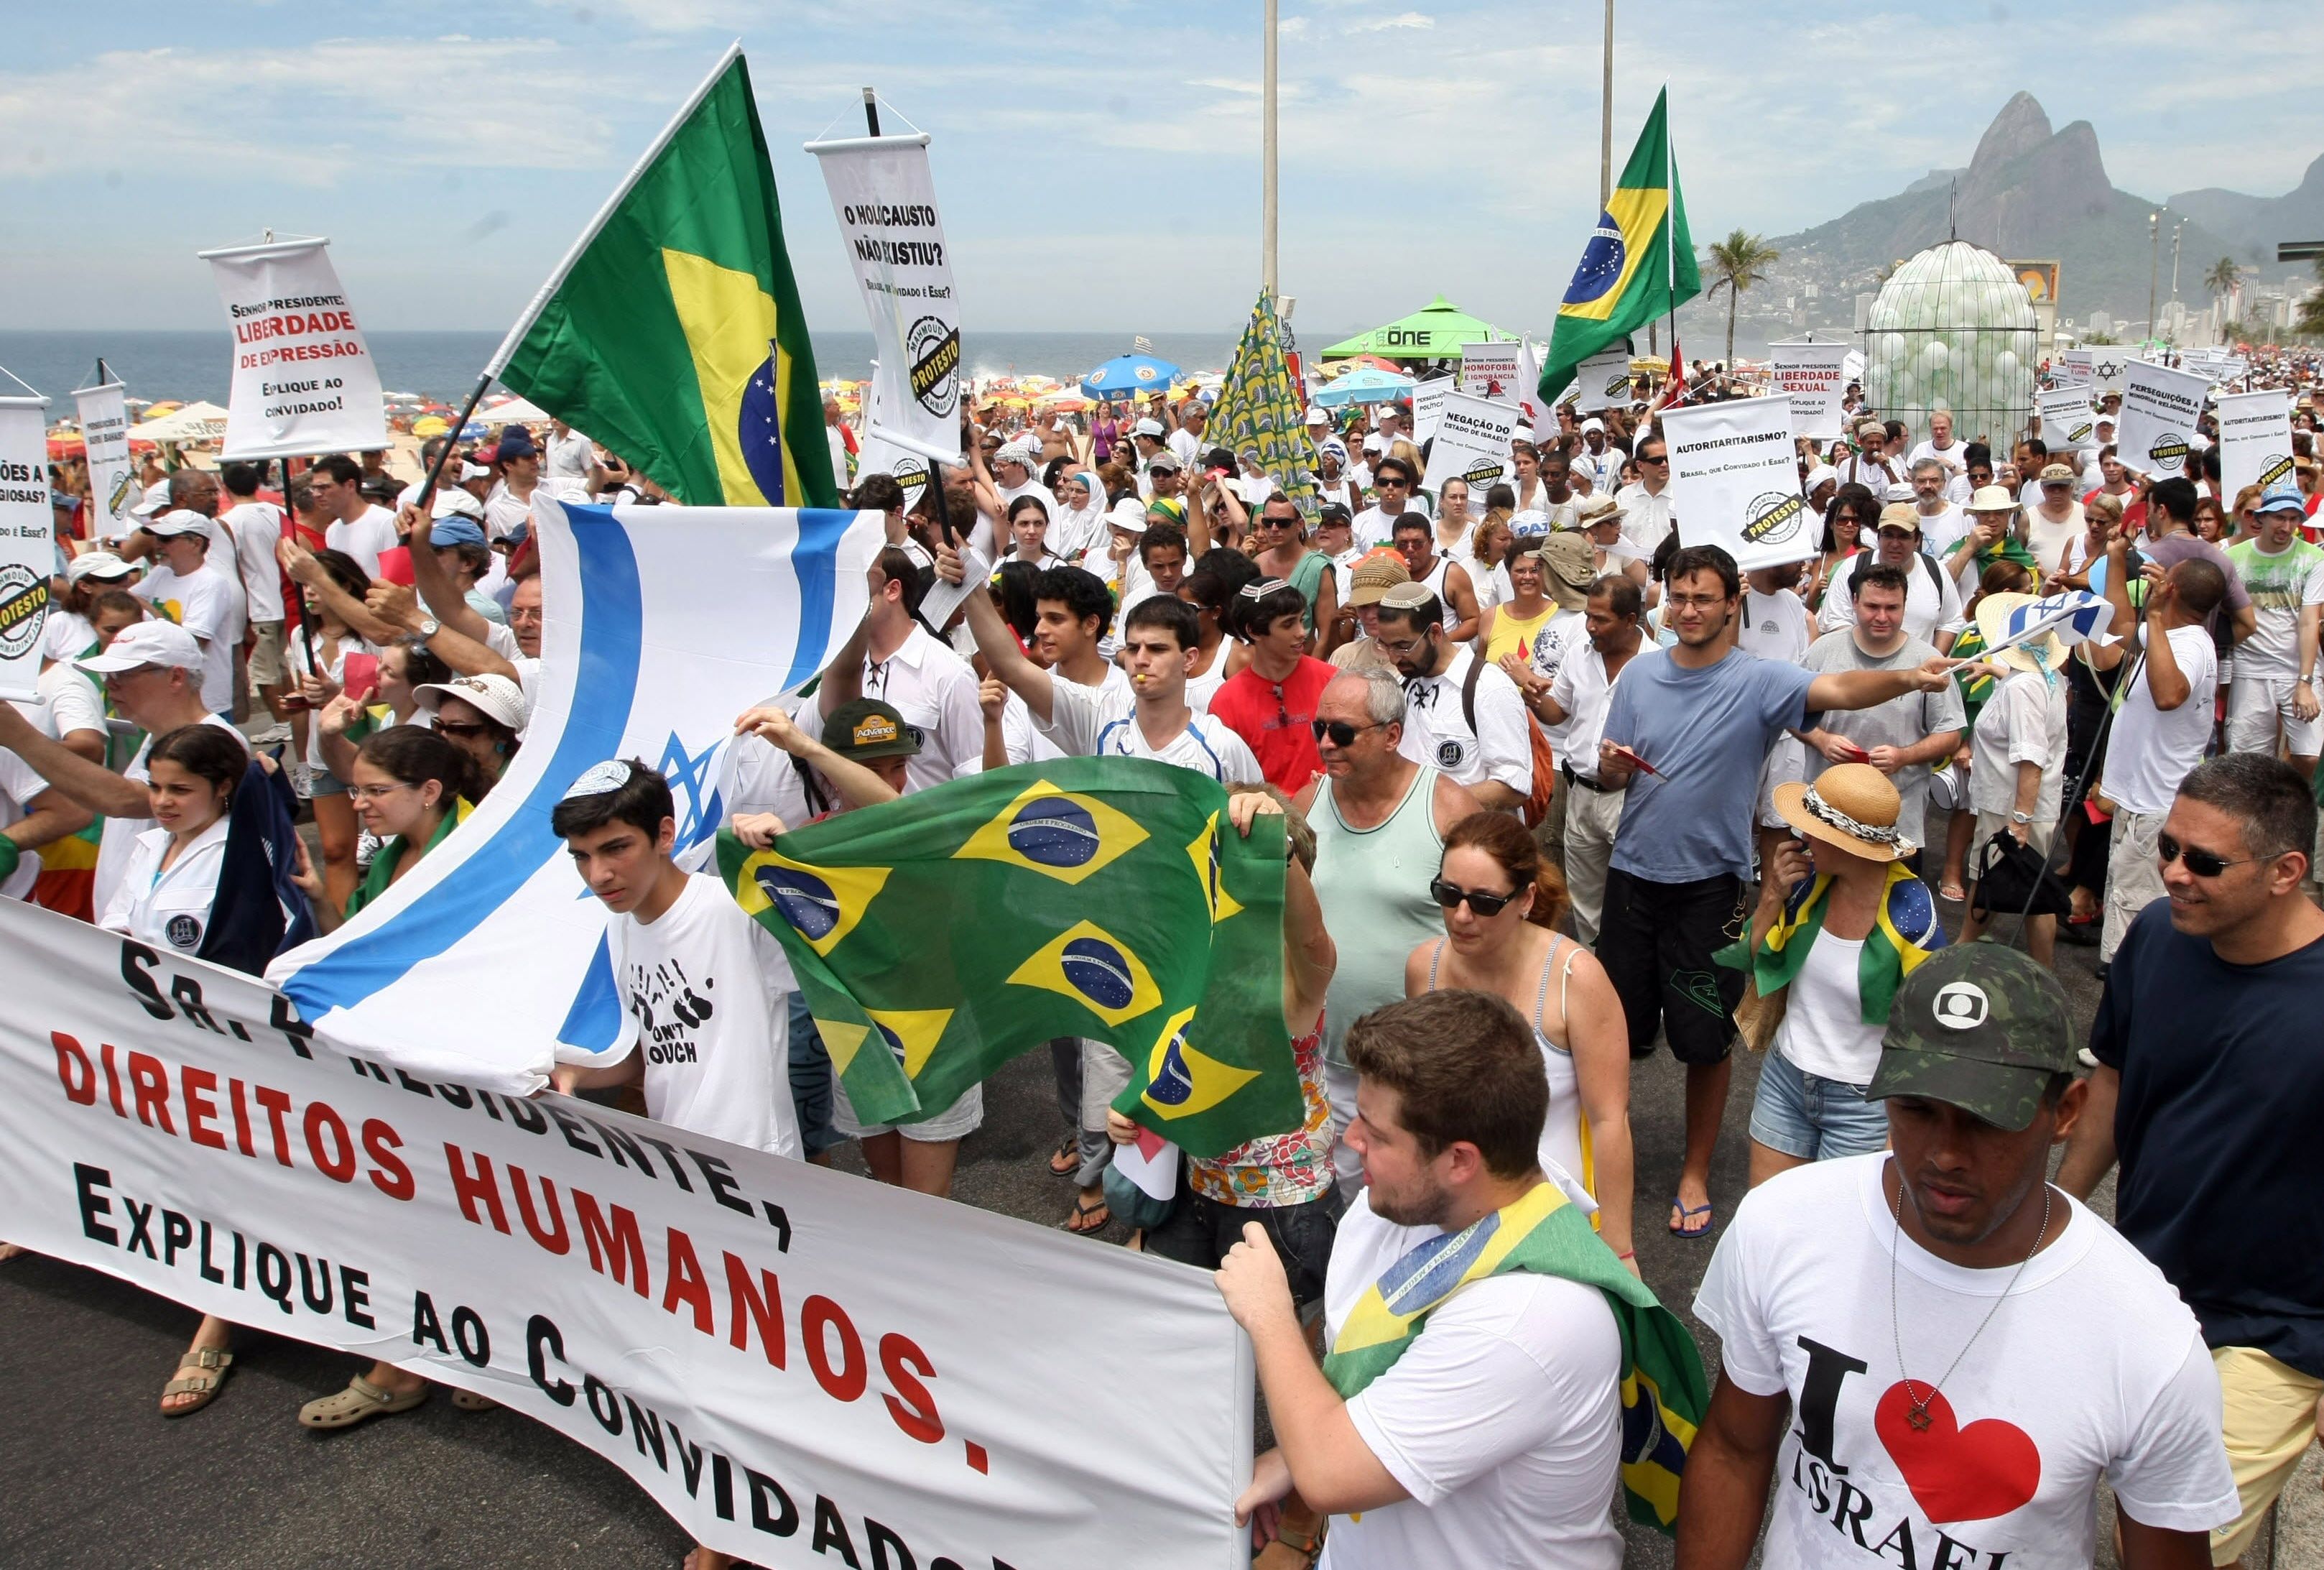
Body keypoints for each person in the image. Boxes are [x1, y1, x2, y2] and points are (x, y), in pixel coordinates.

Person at [1682, 943, 2239, 1570]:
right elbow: (1734, 1447)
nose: (1943, 1153)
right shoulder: (1783, 1223)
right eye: (1915, 1108)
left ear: (2064, 1112)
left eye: (1984, 1119)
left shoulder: (2149, 1342)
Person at [1218, 988, 1682, 1570]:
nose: (1349, 1140)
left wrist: (1268, 1313)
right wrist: (1293, 1454)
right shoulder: (1396, 1205)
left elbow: (1332, 1474)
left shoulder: (1528, 1320)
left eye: (1376, 1133)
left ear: (1460, 1160)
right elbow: (1375, 1384)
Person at [1594, 542, 1957, 1239]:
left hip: (1708, 888)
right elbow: (1612, 779)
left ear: (1733, 603)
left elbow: (1842, 691)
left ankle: (1694, 1171)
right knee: (1615, 1035)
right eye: (1678, 596)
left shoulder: (1760, 680)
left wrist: (1913, 676)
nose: (1688, 609)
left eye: (1703, 597)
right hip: (1630, 879)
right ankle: (1606, 1156)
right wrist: (1611, 767)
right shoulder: (1638, 677)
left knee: (1704, 1042)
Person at [2062, 756, 2324, 1570]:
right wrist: (2052, 1219)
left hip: (2279, 1329)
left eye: (2202, 861)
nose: (2172, 872)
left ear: (2287, 871)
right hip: (2151, 1289)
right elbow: (2112, 1076)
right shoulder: (2153, 938)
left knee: (2173, 1540)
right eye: (2170, 847)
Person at [293, 726, 489, 1428]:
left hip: (462, 1076)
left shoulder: (480, 856)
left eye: (377, 790)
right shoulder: (390, 861)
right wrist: (322, 900)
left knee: (470, 1218)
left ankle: (443, 1360)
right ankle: (403, 1363)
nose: (360, 804)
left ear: (430, 791)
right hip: (392, 1073)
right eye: (356, 789)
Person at [1407, 812, 1636, 1267]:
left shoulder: (1577, 978)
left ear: (1526, 898)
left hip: (1553, 1224)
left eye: (1485, 902)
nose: (1462, 916)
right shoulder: (1424, 969)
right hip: (1450, 1223)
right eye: (1448, 895)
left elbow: (1610, 1119)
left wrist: (1620, 1248)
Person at [1297, 668, 1481, 1201]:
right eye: (1319, 728)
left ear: (1391, 735)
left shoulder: (1446, 807)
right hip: (1323, 1060)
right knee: (1333, 1205)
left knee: (1409, 1204)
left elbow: (1497, 929)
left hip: (1415, 1071)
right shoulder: (1310, 800)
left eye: (1344, 732)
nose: (1326, 743)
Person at [1732, 764, 1947, 1183]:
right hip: (1785, 1079)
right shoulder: (1805, 884)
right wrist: (1772, 895)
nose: (1802, 837)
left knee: (1835, 1236)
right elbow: (1748, 957)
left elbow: (1931, 1030)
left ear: (1850, 846)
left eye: (1814, 830)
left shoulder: (1913, 913)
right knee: (1769, 1217)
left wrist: (1901, 1128)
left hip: (1864, 1102)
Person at [949, 538, 1260, 781]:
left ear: (1189, 658)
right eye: (1134, 648)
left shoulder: (1222, 745)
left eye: (1157, 649)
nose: (1141, 660)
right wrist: (970, 582)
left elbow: (1262, 828)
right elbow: (1010, 666)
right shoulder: (1101, 719)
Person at [0, 621, 247, 923]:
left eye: (124, 674)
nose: (110, 684)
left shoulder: (216, 741)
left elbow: (125, 801)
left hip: (173, 932)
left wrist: (20, 736)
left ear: (176, 676)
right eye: (107, 674)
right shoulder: (158, 737)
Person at [2085, 540, 2226, 967]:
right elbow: (2120, 624)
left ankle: (2126, 976)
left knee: (2137, 898)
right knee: (2122, 885)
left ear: (2176, 590)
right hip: (2138, 798)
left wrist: (2157, 615)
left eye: (2169, 575)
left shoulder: (2190, 646)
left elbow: (2169, 695)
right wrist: (2114, 556)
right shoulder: (2170, 634)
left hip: (2156, 805)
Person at [1797, 563, 1968, 859]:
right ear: (1854, 603)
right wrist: (1820, 740)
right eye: (1872, 606)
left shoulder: (1928, 659)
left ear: (1905, 606)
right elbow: (1789, 711)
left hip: (1898, 822)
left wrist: (1903, 756)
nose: (1882, 617)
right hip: (1827, 815)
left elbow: (1951, 734)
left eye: (1892, 608)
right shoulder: (1824, 651)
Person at [1953, 591, 2071, 966]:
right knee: (2015, 886)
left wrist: (2019, 821)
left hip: (2011, 806)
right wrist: (1995, 670)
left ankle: (1965, 954)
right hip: (2018, 803)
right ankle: (1973, 950)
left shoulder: (2023, 688)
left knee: (2009, 885)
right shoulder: (2041, 677)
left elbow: (2030, 756)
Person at [1374, 583, 1531, 813]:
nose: (1394, 658)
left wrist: (1428, 801)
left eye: (1403, 647)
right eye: (1385, 646)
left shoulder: (1488, 687)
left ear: (1435, 633)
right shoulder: (1401, 685)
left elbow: (1513, 786)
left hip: (1473, 839)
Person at [2223, 483, 2324, 781]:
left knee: (2309, 754)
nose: (2287, 526)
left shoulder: (2313, 558)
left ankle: (2286, 800)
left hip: (2298, 668)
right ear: (2262, 517)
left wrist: (2305, 681)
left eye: (2294, 519)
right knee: (2248, 760)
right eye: (2280, 517)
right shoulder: (2234, 558)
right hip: (2251, 669)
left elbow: (2309, 621)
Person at [1208, 579, 1336, 793]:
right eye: (1288, 624)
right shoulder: (1226, 702)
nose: (1301, 632)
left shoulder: (1333, 681)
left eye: (1301, 620)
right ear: (1254, 631)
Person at [129, 511, 239, 715]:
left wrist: (148, 609)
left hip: (205, 702)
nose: (158, 545)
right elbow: (127, 602)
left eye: (167, 539)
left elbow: (192, 644)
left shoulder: (212, 583)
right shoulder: (161, 573)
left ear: (196, 543)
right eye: (157, 538)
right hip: (171, 698)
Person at [1818, 502, 1966, 653]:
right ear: (1879, 536)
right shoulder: (1852, 568)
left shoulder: (1936, 571)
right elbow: (1835, 620)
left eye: (1903, 536)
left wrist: (1934, 659)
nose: (1895, 544)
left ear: (1918, 539)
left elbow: (1950, 622)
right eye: (1888, 535)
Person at [1249, 493, 1338, 646]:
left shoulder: (1318, 568)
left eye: (1283, 523)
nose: (1274, 529)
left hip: (1304, 659)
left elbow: (1326, 634)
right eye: (1268, 522)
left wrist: (1311, 669)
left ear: (1300, 524)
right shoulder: (1258, 563)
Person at [1389, 514, 1480, 644]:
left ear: (1431, 543)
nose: (1410, 549)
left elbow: (1473, 621)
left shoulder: (1451, 574)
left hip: (1441, 655)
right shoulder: (1389, 575)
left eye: (1417, 543)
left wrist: (1438, 643)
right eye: (1403, 544)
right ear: (1394, 545)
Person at [307, 453, 402, 576]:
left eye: (324, 487)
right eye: (314, 488)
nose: (316, 494)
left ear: (350, 486)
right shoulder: (332, 531)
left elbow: (400, 580)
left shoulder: (387, 523)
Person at [1616, 431, 1675, 559]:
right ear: (1640, 466)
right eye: (1657, 460)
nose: (1664, 464)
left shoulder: (1680, 495)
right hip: (1631, 568)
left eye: (1667, 458)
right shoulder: (1623, 496)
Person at [1352, 456, 1422, 552]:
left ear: (1407, 487)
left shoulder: (1423, 522)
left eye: (1397, 483)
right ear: (1375, 486)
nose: (1390, 487)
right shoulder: (1360, 522)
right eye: (1384, 482)